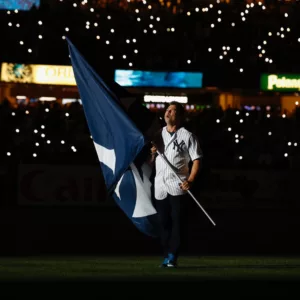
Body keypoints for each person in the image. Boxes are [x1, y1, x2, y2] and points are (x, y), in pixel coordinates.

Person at [150, 101, 203, 268]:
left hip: (178, 185)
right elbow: (153, 161)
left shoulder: (188, 136)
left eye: (172, 111)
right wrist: (152, 154)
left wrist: (191, 180)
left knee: (177, 223)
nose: (168, 113)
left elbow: (196, 160)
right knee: (163, 222)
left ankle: (173, 255)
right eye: (167, 110)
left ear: (179, 116)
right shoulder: (158, 135)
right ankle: (166, 254)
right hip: (160, 185)